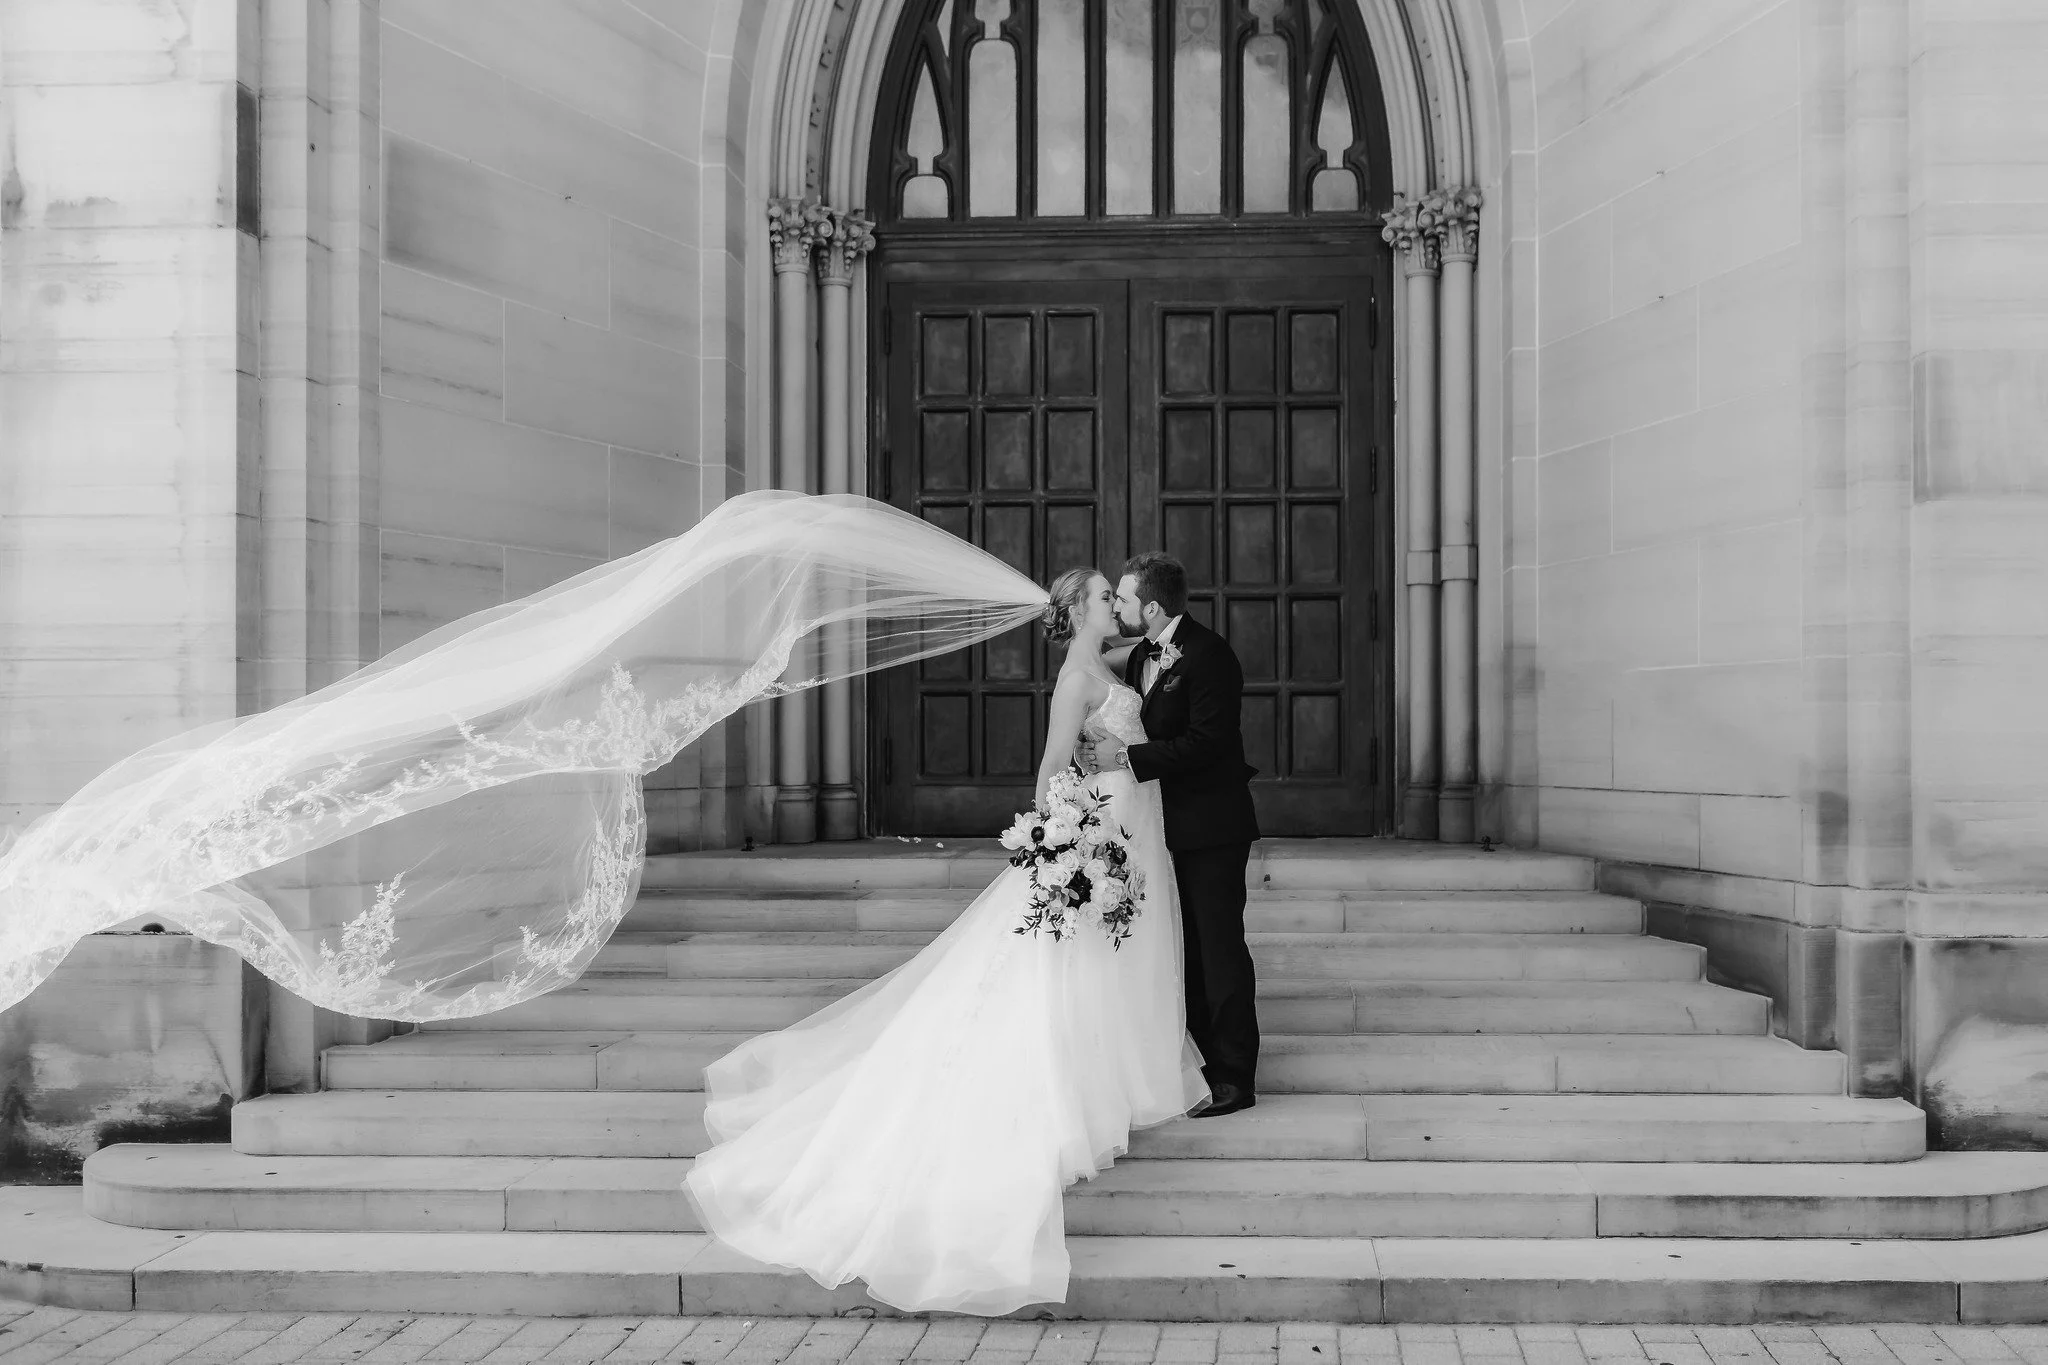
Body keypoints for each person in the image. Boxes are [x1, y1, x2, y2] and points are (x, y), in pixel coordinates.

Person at [680, 568, 1209, 1316]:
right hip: (1097, 829)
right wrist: (1053, 843)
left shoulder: (1111, 665)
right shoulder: (1076, 678)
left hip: (1132, 822)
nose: (1110, 603)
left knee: (1113, 956)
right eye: (1101, 595)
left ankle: (1121, 1072)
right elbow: (1053, 764)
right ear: (1079, 610)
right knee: (1072, 963)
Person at [1078, 553, 1261, 1117]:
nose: (1120, 607)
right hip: (1160, 830)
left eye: (1125, 599)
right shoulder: (1143, 657)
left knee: (1219, 948)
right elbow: (1096, 662)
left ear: (1151, 607)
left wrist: (1126, 757)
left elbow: (1207, 743)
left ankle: (1235, 1076)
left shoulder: (1210, 656)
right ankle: (1201, 1059)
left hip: (1211, 827)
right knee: (1188, 951)